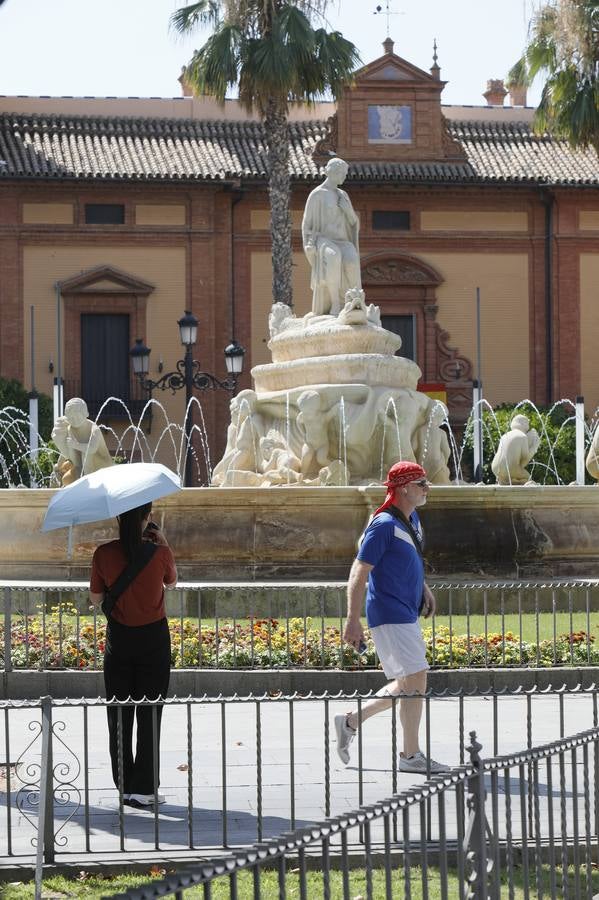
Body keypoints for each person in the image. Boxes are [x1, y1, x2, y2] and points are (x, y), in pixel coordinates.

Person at [336, 461, 448, 774]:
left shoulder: (411, 519)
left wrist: (423, 587)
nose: (427, 488)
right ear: (402, 488)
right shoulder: (383, 524)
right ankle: (410, 756)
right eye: (421, 483)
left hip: (403, 610)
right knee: (417, 676)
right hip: (389, 612)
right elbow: (359, 572)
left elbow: (406, 558)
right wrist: (352, 620)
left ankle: (350, 721)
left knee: (408, 681)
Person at [89, 502, 177, 807]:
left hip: (120, 640)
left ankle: (124, 786)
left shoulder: (103, 554)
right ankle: (145, 789)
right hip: (154, 639)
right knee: (151, 712)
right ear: (147, 518)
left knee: (119, 713)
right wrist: (163, 542)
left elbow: (97, 597)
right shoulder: (159, 552)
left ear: (117, 517)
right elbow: (172, 581)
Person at [301, 157, 362, 316]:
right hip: (324, 240)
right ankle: (336, 303)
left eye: (344, 173)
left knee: (351, 259)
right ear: (332, 172)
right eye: (342, 173)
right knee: (333, 257)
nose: (344, 177)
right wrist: (309, 244)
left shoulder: (343, 195)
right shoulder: (317, 195)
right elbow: (307, 224)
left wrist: (348, 211)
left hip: (343, 241)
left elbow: (354, 223)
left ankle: (353, 301)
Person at [52, 397, 113, 485]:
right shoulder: (70, 429)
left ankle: (87, 483)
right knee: (66, 480)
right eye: (71, 418)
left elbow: (92, 449)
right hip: (80, 467)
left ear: (86, 414)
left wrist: (75, 445)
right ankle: (81, 481)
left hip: (102, 467)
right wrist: (58, 465)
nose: (75, 420)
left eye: (77, 416)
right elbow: (66, 449)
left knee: (86, 450)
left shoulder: (94, 429)